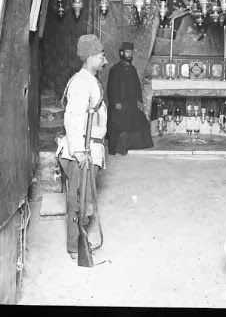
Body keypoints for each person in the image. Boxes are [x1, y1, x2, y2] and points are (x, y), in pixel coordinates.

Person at [56, 34, 108, 260]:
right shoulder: (81, 82)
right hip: (82, 151)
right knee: (78, 202)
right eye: (101, 56)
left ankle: (79, 241)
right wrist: (79, 152)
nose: (104, 61)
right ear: (91, 57)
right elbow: (73, 117)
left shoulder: (88, 80)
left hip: (90, 149)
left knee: (83, 201)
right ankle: (75, 247)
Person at [107, 42, 154, 156]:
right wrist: (116, 103)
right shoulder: (115, 69)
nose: (129, 55)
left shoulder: (132, 69)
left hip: (132, 104)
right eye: (127, 52)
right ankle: (120, 146)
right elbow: (111, 89)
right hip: (120, 105)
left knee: (142, 122)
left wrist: (139, 102)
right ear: (121, 53)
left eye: (131, 53)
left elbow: (137, 87)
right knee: (120, 123)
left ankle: (129, 144)